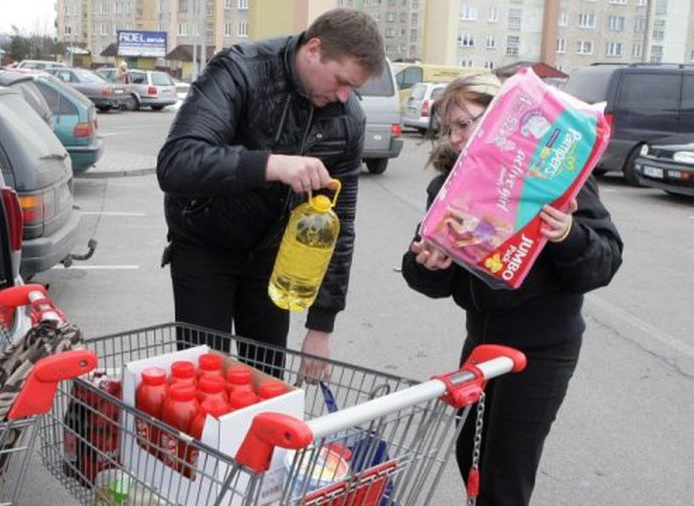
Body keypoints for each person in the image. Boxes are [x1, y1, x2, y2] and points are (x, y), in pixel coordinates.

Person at [401, 73, 624, 505]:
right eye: (450, 128)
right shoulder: (451, 186)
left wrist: (567, 235)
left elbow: (604, 261)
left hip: (542, 350)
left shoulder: (556, 180)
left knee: (505, 475)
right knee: (471, 455)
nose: (457, 137)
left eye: (467, 123)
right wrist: (428, 265)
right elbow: (429, 277)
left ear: (504, 118)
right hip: (482, 345)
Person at [156, 8, 385, 381]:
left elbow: (339, 226)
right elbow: (177, 162)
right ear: (313, 49)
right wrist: (271, 165)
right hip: (204, 246)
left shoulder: (348, 119)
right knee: (204, 380)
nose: (345, 97)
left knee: (264, 383)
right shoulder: (241, 71)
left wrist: (321, 327)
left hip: (272, 258)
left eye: (354, 89)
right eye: (342, 81)